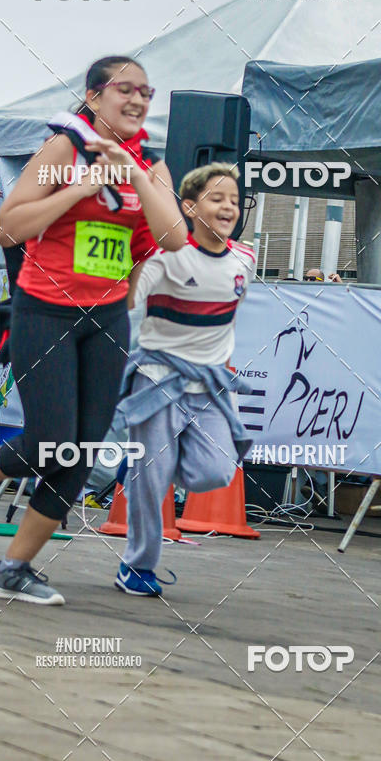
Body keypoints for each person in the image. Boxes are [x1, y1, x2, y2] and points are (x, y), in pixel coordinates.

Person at [0, 55, 187, 605]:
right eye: (126, 89)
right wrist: (81, 187)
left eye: (146, 91)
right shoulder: (64, 150)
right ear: (94, 97)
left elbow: (172, 238)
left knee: (82, 450)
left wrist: (135, 173)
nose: (139, 100)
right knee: (51, 440)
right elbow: (7, 228)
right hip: (46, 311)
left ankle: (12, 568)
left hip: (108, 320)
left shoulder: (153, 166)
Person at [111, 162, 255, 596]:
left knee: (214, 471)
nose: (228, 206)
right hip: (157, 382)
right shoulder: (165, 257)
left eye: (233, 199)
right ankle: (137, 567)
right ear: (189, 208)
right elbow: (132, 298)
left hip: (209, 388)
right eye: (216, 198)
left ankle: (134, 467)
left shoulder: (245, 258)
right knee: (152, 479)